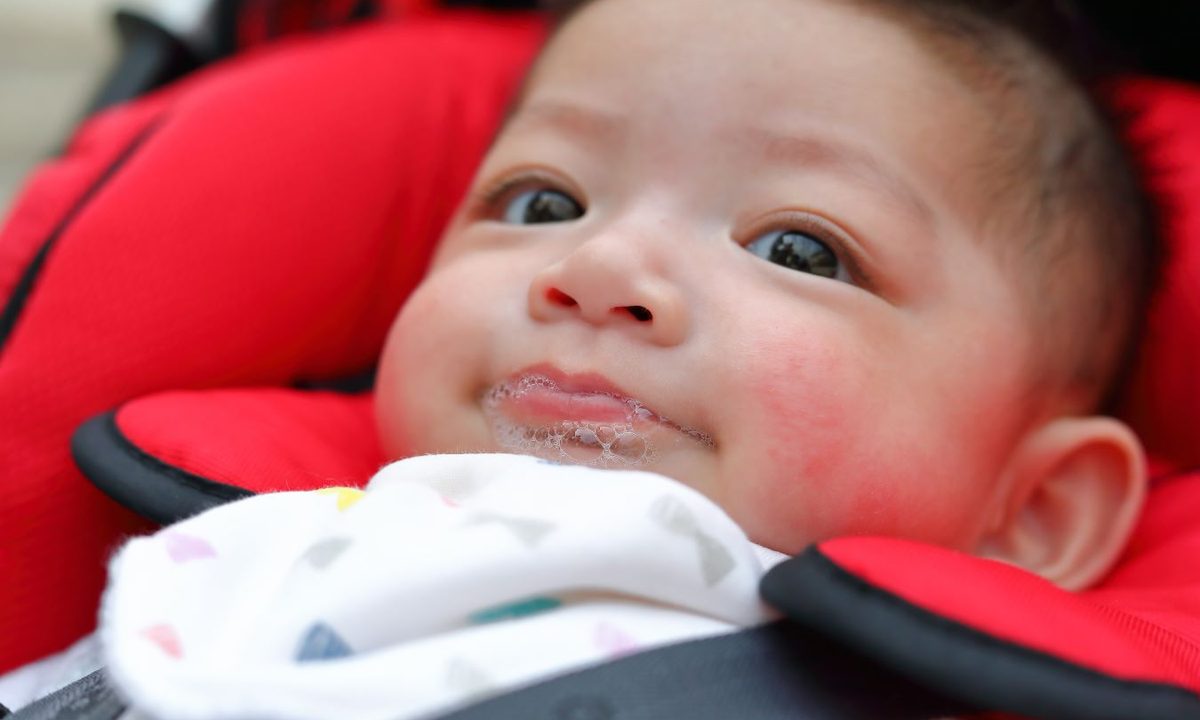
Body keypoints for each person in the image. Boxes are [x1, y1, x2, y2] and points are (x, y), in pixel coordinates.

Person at [95, 0, 1162, 717]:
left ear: (1034, 512)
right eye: (542, 203)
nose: (599, 267)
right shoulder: (244, 552)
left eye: (798, 250)